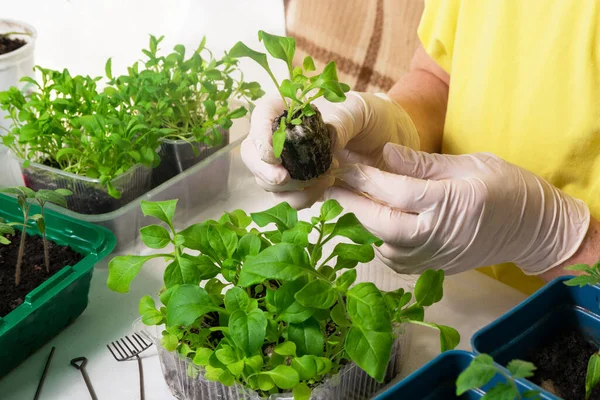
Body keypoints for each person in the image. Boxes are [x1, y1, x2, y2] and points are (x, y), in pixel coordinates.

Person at [241, 0, 600, 294]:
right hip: (461, 293)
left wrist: (557, 237)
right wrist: (396, 127)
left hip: (573, 317)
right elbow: (439, 76)